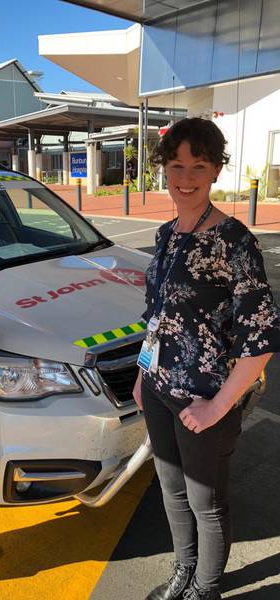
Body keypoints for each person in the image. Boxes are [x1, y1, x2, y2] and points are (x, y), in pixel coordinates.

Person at [132, 117, 280, 600]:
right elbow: (157, 313)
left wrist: (217, 407)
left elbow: (261, 339)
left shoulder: (235, 242)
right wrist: (142, 372)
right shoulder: (166, 234)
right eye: (176, 165)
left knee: (206, 502)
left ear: (216, 170)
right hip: (158, 389)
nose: (186, 177)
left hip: (205, 399)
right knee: (171, 491)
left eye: (199, 165)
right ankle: (184, 571)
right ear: (164, 169)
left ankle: (207, 589)